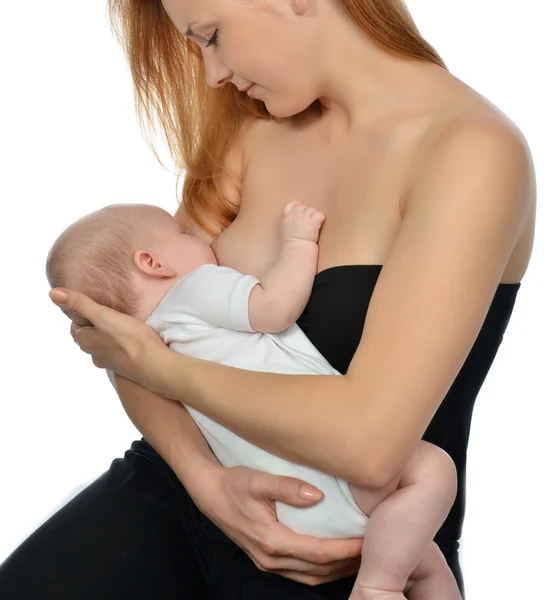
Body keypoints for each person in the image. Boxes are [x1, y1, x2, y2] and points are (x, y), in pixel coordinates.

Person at [0, 0, 535, 599]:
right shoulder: (249, 131)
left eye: (212, 37)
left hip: (349, 548)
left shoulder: (471, 151)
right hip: (179, 495)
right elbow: (134, 331)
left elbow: (370, 445)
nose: (212, 74)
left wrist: (163, 367)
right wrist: (207, 482)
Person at [45, 201, 462, 598]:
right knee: (431, 472)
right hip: (331, 473)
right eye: (183, 232)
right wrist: (298, 243)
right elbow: (273, 306)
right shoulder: (194, 288)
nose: (201, 239)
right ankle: (375, 590)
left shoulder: (151, 340)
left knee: (420, 561)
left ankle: (383, 582)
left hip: (283, 507)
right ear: (153, 263)